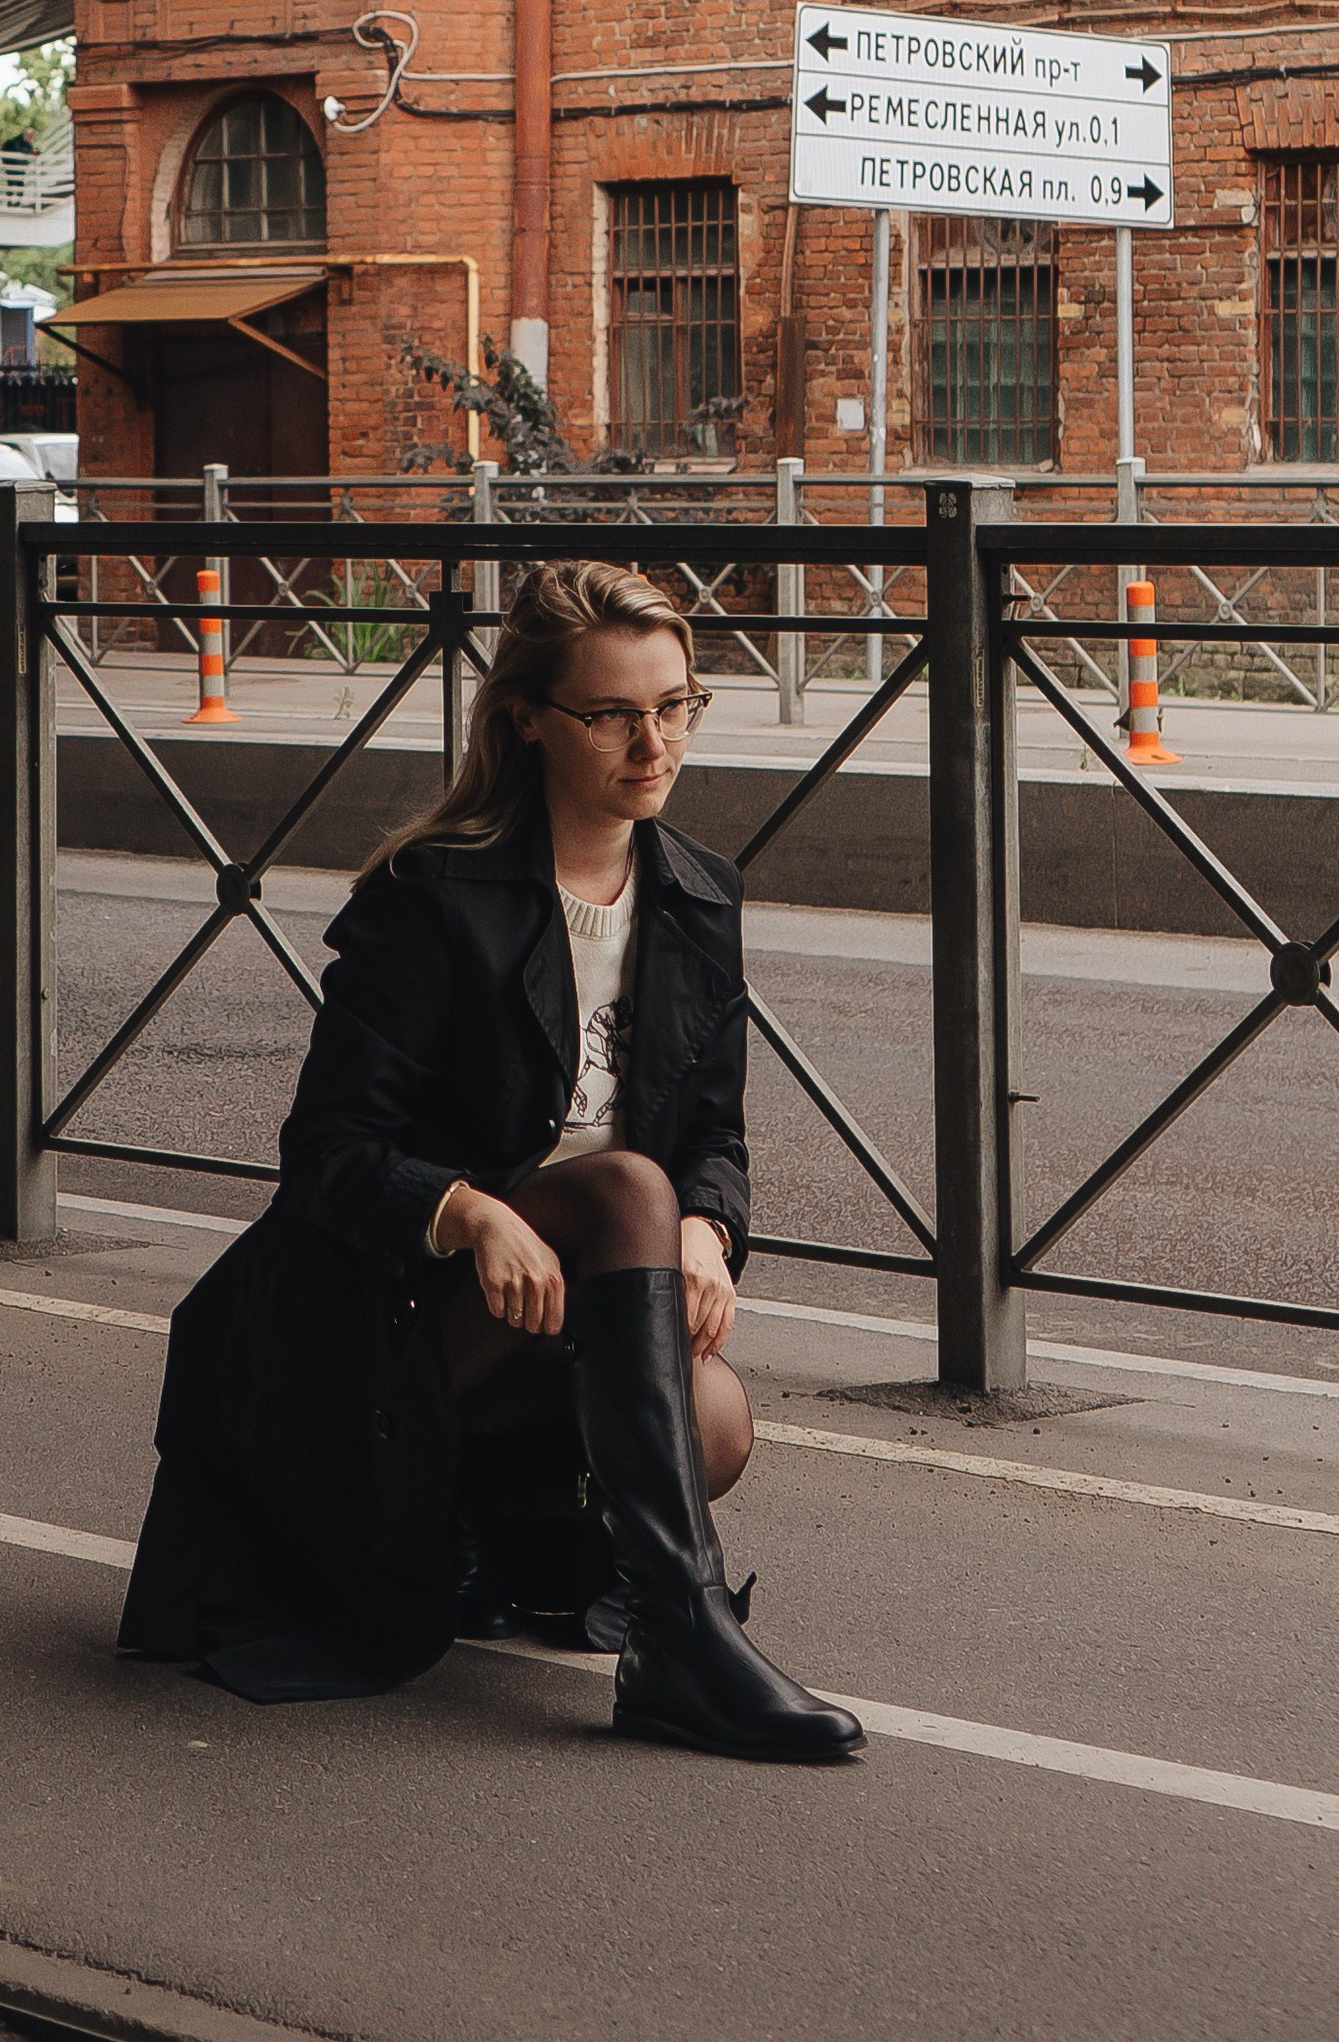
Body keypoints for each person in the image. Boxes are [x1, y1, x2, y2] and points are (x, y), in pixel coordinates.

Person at [120, 557, 863, 1763]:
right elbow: (326, 1157)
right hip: (374, 1309)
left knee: (715, 1418)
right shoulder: (435, 895)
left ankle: (480, 1523)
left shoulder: (695, 898)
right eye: (612, 713)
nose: (652, 742)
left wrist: (707, 1231)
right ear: (527, 720)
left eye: (675, 705)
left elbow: (712, 1135)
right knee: (625, 1186)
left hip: (559, 1303)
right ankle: (681, 1639)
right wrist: (468, 1211)